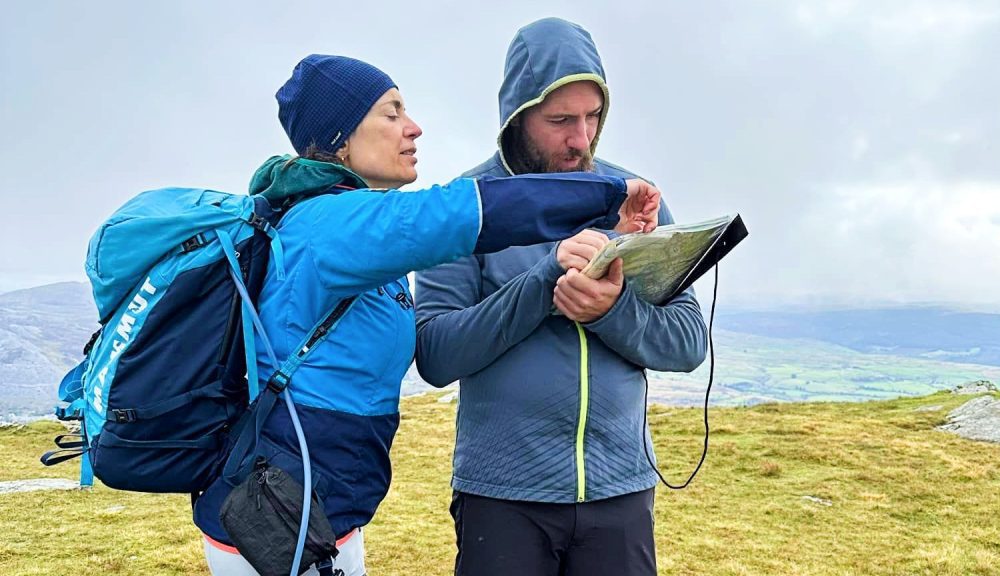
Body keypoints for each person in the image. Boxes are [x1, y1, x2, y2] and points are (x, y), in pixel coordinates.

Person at [189, 54, 662, 576]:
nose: (412, 127)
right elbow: (456, 214)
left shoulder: (343, 225)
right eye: (390, 114)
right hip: (275, 515)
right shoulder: (334, 224)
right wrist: (609, 195)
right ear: (341, 137)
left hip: (316, 508)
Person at [414, 18, 708, 576]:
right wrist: (543, 286)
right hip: (502, 495)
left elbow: (689, 343)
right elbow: (434, 354)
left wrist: (612, 311)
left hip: (619, 491)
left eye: (593, 116)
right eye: (560, 120)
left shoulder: (636, 199)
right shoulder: (465, 207)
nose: (581, 137)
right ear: (517, 117)